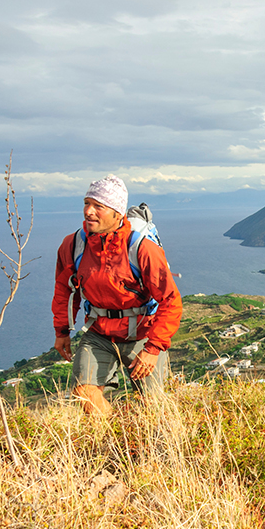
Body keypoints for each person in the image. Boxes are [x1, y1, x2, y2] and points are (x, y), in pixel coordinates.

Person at [51, 175, 182, 415]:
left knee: (153, 407)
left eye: (98, 206)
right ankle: (113, 440)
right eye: (86, 203)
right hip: (99, 333)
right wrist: (61, 331)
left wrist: (153, 349)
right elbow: (65, 289)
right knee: (84, 394)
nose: (88, 212)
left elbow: (170, 301)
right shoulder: (73, 245)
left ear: (117, 213)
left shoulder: (142, 249)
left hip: (142, 333)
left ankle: (146, 445)